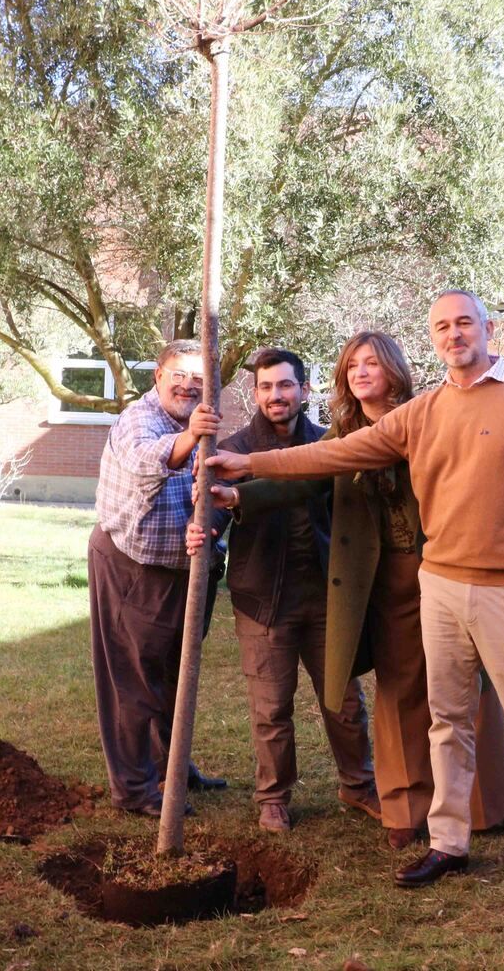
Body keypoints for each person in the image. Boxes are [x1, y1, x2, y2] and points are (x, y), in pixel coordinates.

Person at [207, 291, 504, 903]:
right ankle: (448, 842)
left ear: (488, 329)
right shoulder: (425, 412)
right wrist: (247, 465)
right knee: (445, 720)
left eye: (464, 322)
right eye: (442, 326)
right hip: (436, 583)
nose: (454, 334)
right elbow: (332, 455)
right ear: (433, 338)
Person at [189, 332, 504, 849]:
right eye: (352, 366)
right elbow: (301, 476)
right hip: (381, 583)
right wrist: (238, 493)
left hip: (447, 568)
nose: (361, 372)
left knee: (470, 691)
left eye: (372, 363)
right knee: (397, 694)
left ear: (393, 368)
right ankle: (404, 807)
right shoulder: (343, 433)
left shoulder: (428, 415)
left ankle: (491, 803)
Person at [199, 348, 378, 833]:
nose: (275, 395)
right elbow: (213, 509)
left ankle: (358, 784)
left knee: (343, 701)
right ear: (255, 393)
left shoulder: (326, 445)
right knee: (271, 708)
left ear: (303, 389)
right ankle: (273, 797)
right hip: (262, 601)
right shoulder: (233, 449)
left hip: (325, 599)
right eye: (265, 387)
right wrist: (206, 529)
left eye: (284, 385)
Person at [87, 339, 228, 817]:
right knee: (134, 682)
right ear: (158, 377)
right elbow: (149, 461)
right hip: (133, 567)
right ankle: (135, 789)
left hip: (186, 570)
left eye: (198, 378)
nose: (188, 385)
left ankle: (172, 769)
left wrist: (209, 520)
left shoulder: (203, 425)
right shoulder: (139, 421)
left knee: (175, 676)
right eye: (179, 375)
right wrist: (190, 438)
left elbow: (213, 492)